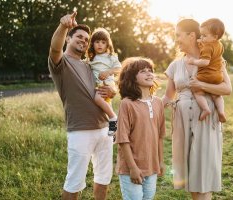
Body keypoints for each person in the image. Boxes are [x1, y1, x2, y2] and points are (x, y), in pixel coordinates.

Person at [48, 11, 116, 200]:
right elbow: (54, 49)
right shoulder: (61, 64)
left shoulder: (91, 65)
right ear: (68, 39)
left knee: (103, 178)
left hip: (104, 130)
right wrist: (63, 26)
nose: (84, 41)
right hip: (80, 130)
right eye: (79, 36)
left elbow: (110, 84)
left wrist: (113, 91)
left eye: (87, 39)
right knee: (74, 182)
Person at [162, 19, 232, 200]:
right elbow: (167, 97)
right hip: (182, 123)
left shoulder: (215, 59)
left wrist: (201, 84)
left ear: (191, 35)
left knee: (204, 171)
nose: (176, 39)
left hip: (206, 119)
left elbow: (227, 89)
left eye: (178, 35)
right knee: (191, 173)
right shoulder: (175, 65)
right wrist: (143, 105)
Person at [115, 57, 166, 200]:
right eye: (143, 71)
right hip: (131, 167)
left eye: (150, 71)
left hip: (152, 166)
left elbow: (160, 136)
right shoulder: (127, 104)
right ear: (132, 78)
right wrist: (133, 168)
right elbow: (122, 139)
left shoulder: (158, 103)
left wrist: (160, 161)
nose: (149, 74)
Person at [187, 18, 227, 122]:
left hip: (206, 75)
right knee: (217, 95)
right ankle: (221, 111)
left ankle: (205, 109)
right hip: (218, 76)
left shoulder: (207, 47)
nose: (202, 38)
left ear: (215, 37)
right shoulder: (219, 45)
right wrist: (202, 41)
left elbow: (205, 62)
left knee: (196, 90)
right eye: (201, 35)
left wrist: (193, 61)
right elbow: (214, 54)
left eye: (204, 35)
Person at [87, 28, 122, 135]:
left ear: (108, 44)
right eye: (97, 42)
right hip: (98, 85)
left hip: (107, 83)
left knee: (98, 99)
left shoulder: (110, 56)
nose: (100, 45)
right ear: (92, 44)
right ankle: (113, 129)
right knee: (106, 105)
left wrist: (108, 72)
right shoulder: (91, 58)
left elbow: (119, 69)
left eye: (103, 42)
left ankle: (113, 117)